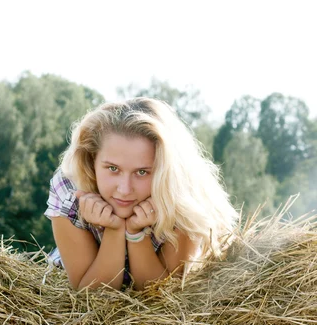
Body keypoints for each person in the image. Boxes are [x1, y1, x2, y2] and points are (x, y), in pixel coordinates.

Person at [45, 97, 238, 291]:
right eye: (113, 168)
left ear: (165, 169)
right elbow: (90, 294)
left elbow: (160, 296)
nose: (125, 189)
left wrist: (136, 234)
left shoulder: (185, 198)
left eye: (142, 172)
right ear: (92, 157)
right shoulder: (69, 189)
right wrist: (114, 230)